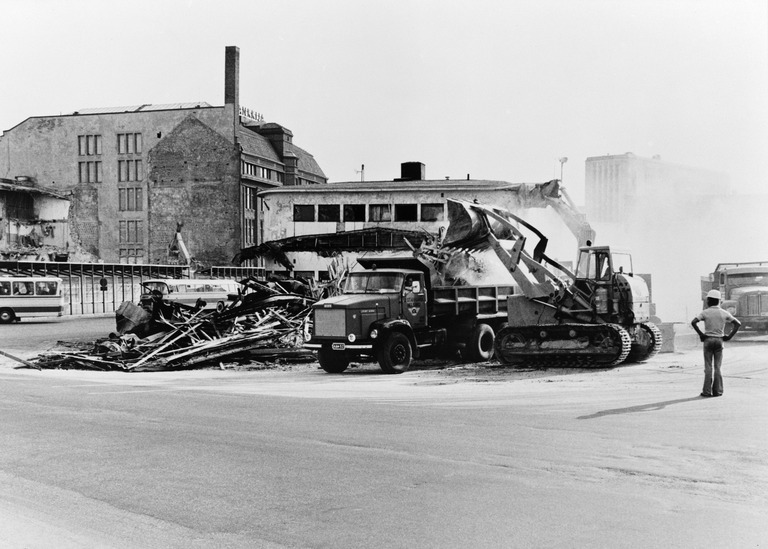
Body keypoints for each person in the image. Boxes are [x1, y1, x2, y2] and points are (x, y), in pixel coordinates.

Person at [691, 289, 741, 397]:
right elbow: (737, 323)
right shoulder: (724, 313)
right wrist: (729, 336)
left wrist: (701, 334)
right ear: (719, 301)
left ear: (708, 300)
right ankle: (718, 391)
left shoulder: (705, 312)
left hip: (708, 340)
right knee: (718, 367)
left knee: (708, 367)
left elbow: (694, 322)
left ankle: (706, 391)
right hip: (719, 340)